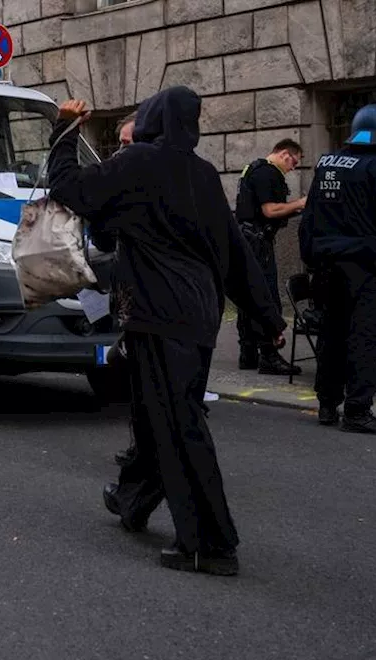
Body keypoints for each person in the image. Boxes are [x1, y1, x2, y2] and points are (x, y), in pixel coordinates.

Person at [48, 87, 286, 576]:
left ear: (154, 119)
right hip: (197, 315)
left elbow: (70, 187)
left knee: (179, 426)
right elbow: (236, 255)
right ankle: (133, 498)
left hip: (161, 314)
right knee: (158, 416)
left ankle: (210, 543)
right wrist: (268, 320)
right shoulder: (200, 173)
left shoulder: (138, 164)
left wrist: (64, 129)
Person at [299, 104, 376, 435]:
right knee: (368, 339)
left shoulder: (327, 163)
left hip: (325, 266)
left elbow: (310, 217)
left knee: (332, 335)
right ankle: (358, 410)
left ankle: (326, 404)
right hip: (362, 268)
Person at [235, 139, 308, 375]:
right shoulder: (268, 173)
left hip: (247, 239)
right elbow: (270, 210)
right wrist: (299, 203)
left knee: (248, 296)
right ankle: (268, 354)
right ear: (285, 154)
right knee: (265, 296)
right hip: (257, 241)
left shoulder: (254, 168)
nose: (293, 168)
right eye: (294, 162)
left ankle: (248, 353)